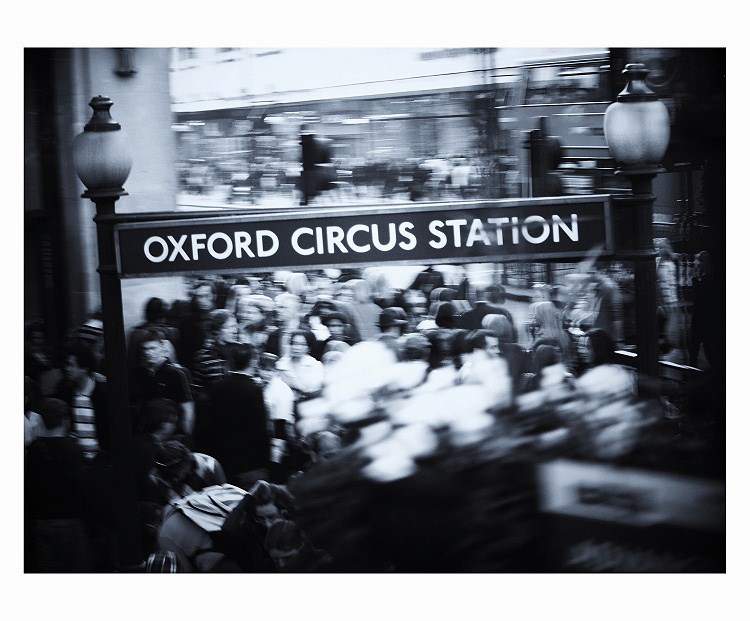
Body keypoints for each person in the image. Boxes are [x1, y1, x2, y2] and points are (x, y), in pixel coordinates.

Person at [25, 398, 91, 572]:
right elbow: (83, 489)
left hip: (41, 522)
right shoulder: (74, 450)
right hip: (71, 521)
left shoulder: (32, 451)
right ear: (65, 420)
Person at [209, 343, 271, 489]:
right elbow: (260, 428)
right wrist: (266, 462)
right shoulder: (254, 390)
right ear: (253, 362)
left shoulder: (218, 387)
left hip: (222, 454)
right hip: (248, 459)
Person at [131, 328, 195, 439]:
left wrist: (186, 436)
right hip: (149, 434)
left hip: (172, 434)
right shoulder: (141, 373)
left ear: (162, 348)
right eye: (145, 349)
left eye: (153, 348)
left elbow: (187, 408)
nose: (148, 352)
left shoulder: (177, 373)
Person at [54, 342, 109, 460]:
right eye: (66, 364)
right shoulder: (66, 390)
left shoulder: (101, 393)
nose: (67, 369)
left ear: (84, 368)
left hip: (100, 459)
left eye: (71, 365)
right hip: (77, 459)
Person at [264, 519, 336, 572]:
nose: (281, 565)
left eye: (288, 558)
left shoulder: (323, 565)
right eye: (275, 559)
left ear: (301, 546)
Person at [276, 329, 324, 401]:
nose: (297, 348)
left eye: (302, 344)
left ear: (309, 347)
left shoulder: (315, 365)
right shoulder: (282, 364)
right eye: (294, 343)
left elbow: (314, 389)